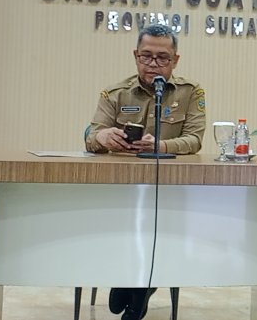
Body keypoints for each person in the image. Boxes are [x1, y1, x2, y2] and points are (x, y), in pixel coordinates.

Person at [84, 23, 206, 320]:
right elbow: (92, 136)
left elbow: (194, 140)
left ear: (175, 60)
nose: (153, 64)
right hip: (122, 188)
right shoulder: (115, 93)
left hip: (170, 188)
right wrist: (102, 137)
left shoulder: (190, 92)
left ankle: (142, 288)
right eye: (146, 56)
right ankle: (128, 278)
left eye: (162, 58)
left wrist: (161, 145)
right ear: (136, 56)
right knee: (122, 228)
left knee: (164, 228)